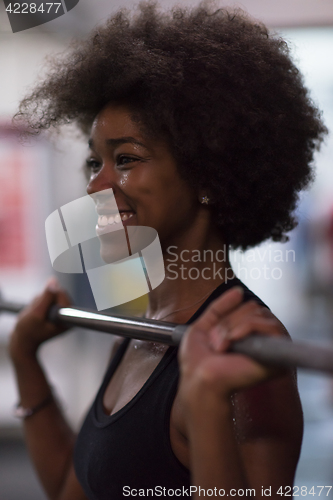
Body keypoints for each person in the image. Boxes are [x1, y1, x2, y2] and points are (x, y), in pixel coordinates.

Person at [10, 3, 327, 499]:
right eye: (96, 161)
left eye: (126, 159)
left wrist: (204, 401)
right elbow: (76, 492)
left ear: (207, 175)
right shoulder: (134, 335)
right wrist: (25, 358)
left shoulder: (247, 358)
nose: (97, 183)